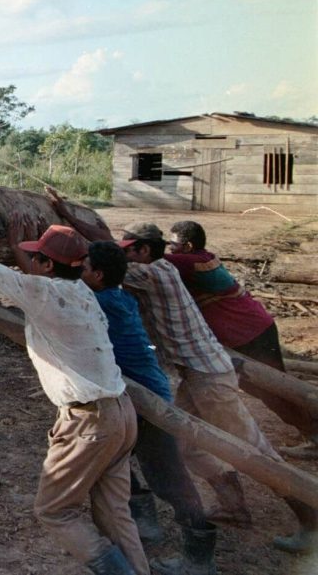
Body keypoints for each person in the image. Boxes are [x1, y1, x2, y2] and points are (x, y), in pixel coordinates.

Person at [46, 189, 317, 555]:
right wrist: (70, 216)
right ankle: (233, 505)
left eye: (130, 250)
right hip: (199, 373)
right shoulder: (164, 268)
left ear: (143, 251)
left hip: (208, 377)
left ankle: (310, 520)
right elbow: (107, 249)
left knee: (255, 450)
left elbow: (102, 262)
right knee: (185, 445)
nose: (125, 255)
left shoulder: (151, 275)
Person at [0, 190, 148, 575]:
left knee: (55, 511)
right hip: (122, 415)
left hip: (90, 423)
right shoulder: (83, 291)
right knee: (114, 514)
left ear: (45, 263)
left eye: (35, 255)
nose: (30, 261)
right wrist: (15, 245)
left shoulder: (42, 290)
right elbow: (31, 277)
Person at [83, 241, 216, 575]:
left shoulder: (101, 301)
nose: (76, 271)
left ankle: (199, 559)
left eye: (82, 267)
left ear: (98, 275)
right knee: (112, 459)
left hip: (149, 402)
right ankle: (145, 522)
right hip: (136, 395)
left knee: (170, 479)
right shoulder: (118, 295)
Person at [166, 220, 318, 457]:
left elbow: (146, 260)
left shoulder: (188, 262)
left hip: (249, 333)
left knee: (272, 390)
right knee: (267, 387)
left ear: (187, 245)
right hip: (254, 328)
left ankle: (314, 435)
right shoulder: (202, 259)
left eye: (172, 244)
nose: (169, 249)